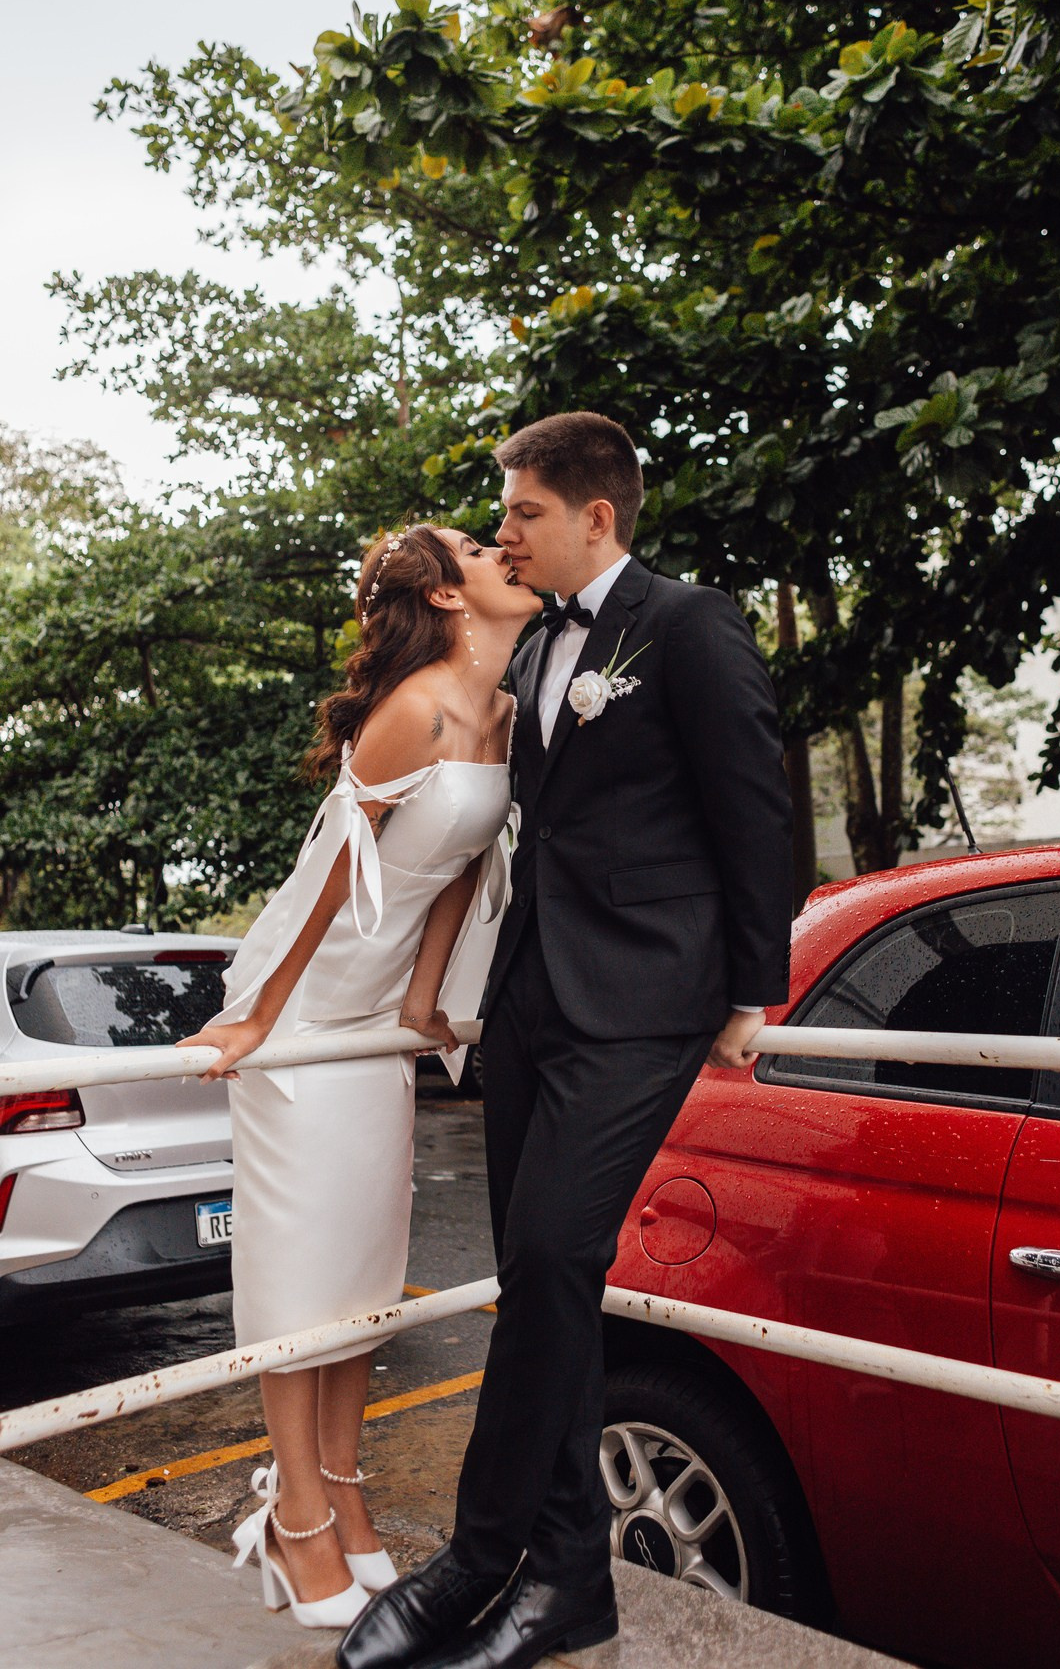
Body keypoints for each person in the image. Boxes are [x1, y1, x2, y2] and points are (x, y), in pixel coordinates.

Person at [339, 413, 793, 1669]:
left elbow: (757, 804)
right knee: (546, 1293)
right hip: (533, 999)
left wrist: (756, 987)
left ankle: (477, 1562)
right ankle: (567, 1579)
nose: (506, 531)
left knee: (547, 1261)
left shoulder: (690, 624)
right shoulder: (537, 638)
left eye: (524, 511)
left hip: (648, 998)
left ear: (597, 515)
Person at [178, 524, 543, 1631]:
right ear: (443, 594)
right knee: (300, 1279)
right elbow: (334, 873)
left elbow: (456, 873)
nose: (504, 549)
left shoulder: (503, 711)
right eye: (481, 546)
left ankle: (342, 1490)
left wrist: (425, 1006)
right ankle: (295, 1522)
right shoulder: (416, 707)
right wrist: (259, 1021)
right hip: (301, 1017)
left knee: (361, 1280)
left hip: (373, 1020)